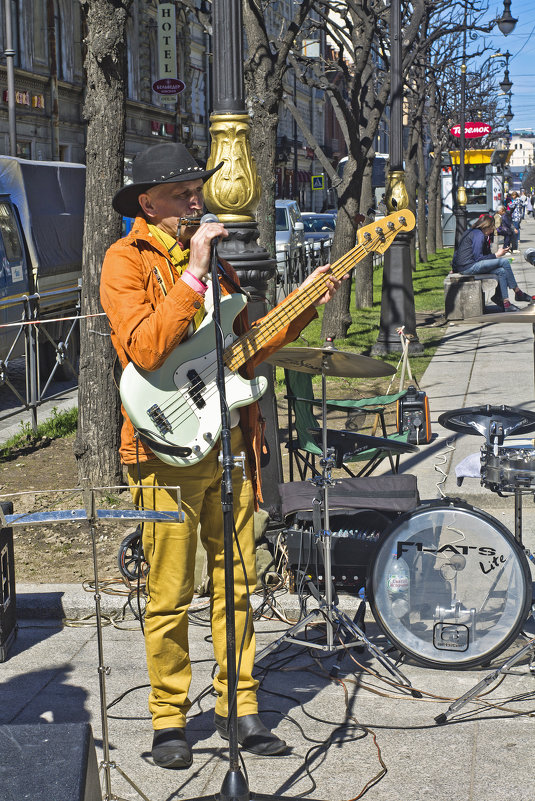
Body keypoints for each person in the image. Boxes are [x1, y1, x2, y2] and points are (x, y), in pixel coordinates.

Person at [100, 142, 345, 770]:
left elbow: (244, 351)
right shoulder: (126, 262)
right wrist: (191, 275)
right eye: (182, 194)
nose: (196, 201)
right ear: (147, 202)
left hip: (228, 446)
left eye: (196, 190)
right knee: (170, 589)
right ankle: (168, 719)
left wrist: (306, 303)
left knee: (235, 581)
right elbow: (147, 350)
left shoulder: (217, 269)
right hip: (164, 450)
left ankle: (241, 704)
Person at [451, 213, 534, 312]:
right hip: (469, 266)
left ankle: (505, 302)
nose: (492, 231)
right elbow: (478, 258)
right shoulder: (479, 235)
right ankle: (518, 293)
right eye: (491, 229)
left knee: (501, 271)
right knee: (504, 262)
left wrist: (454, 267)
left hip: (465, 266)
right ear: (486, 226)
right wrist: (497, 255)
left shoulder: (472, 232)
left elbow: (459, 252)